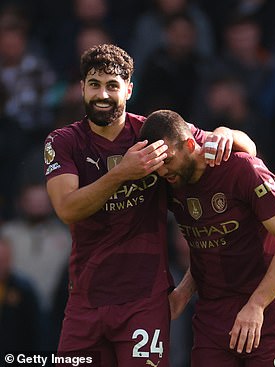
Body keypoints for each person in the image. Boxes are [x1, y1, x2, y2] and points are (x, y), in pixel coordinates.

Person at [43, 43, 255, 366]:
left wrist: (226, 133)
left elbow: (247, 148)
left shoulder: (152, 134)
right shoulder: (63, 142)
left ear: (128, 89)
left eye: (112, 85)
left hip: (144, 301)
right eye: (95, 84)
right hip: (86, 299)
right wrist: (123, 174)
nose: (103, 94)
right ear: (82, 87)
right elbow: (67, 209)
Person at [139, 109, 275, 366]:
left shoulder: (240, 169)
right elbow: (208, 244)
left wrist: (257, 305)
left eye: (168, 160)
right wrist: (182, 294)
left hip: (268, 310)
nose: (162, 172)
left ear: (191, 144)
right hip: (213, 313)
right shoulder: (171, 184)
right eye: (157, 164)